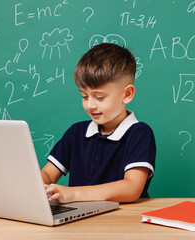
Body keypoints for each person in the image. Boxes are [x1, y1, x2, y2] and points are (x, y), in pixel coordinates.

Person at [41, 43, 156, 203]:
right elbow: (48, 174)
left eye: (99, 97)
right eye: (84, 96)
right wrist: (33, 183)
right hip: (79, 221)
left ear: (127, 94)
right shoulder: (76, 133)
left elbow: (132, 188)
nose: (90, 105)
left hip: (122, 221)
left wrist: (73, 194)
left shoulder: (139, 134)